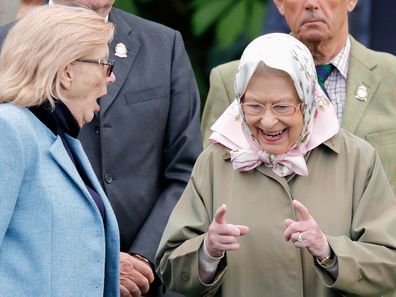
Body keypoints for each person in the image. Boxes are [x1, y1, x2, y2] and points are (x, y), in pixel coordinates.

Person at [156, 33, 396, 297]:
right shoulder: (214, 162)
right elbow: (170, 266)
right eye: (254, 106)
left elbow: (389, 262)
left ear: (308, 100)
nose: (268, 122)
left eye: (283, 107)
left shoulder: (357, 159)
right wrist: (207, 252)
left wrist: (328, 251)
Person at [27, 1, 200, 296]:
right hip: (49, 278)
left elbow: (186, 169)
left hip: (147, 279)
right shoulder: (11, 44)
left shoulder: (163, 44)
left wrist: (142, 257)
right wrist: (96, 262)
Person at [200, 0, 396, 196]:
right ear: (279, 3)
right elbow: (210, 185)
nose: (311, 3)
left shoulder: (391, 76)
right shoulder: (232, 81)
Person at [0, 5, 119, 296]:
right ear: (66, 72)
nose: (111, 77)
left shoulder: (58, 137)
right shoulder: (9, 128)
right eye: (104, 63)